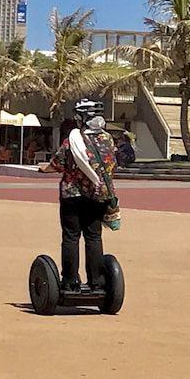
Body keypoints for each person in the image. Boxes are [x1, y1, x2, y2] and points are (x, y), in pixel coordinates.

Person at [39, 99, 117, 292]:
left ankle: (70, 281)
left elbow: (56, 164)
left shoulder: (74, 140)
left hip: (72, 196)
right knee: (93, 237)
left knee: (71, 236)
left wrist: (43, 170)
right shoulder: (108, 139)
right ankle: (97, 282)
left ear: (83, 118)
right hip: (98, 196)